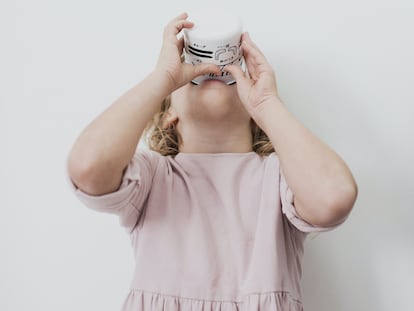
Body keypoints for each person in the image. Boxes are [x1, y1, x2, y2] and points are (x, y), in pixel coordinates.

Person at [67, 12, 358, 311]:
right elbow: (88, 166)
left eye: (235, 70)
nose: (213, 71)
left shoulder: (279, 180)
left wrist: (266, 104)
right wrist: (161, 79)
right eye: (191, 71)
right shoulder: (154, 179)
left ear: (255, 116)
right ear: (168, 114)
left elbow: (334, 197)